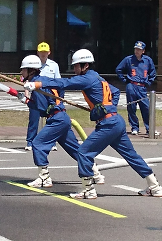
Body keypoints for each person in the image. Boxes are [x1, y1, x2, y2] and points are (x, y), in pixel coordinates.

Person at [24, 49, 162, 199]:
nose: (74, 68)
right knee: (131, 155)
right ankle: (154, 186)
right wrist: (105, 106)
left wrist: (38, 83)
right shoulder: (97, 77)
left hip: (108, 124)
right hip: (115, 121)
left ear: (85, 65)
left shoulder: (87, 78)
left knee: (84, 152)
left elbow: (64, 83)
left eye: (76, 66)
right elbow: (115, 92)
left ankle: (88, 189)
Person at [17, 55, 105, 187]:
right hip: (62, 117)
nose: (21, 72)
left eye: (23, 70)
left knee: (38, 144)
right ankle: (96, 173)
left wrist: (27, 101)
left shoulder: (36, 85)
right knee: (76, 150)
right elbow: (58, 92)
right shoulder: (44, 80)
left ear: (31, 70)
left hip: (56, 119)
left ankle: (44, 177)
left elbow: (42, 109)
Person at [25, 42, 61, 151]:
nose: (43, 54)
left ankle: (51, 142)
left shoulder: (54, 65)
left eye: (45, 52)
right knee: (34, 119)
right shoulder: (32, 63)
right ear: (38, 53)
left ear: (49, 52)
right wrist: (27, 94)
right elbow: (27, 80)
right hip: (36, 94)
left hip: (50, 95)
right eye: (41, 52)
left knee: (51, 118)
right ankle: (30, 142)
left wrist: (58, 97)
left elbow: (58, 81)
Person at [115, 41, 156, 135]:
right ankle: (134, 127)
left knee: (146, 107)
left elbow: (152, 73)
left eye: (139, 49)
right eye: (136, 49)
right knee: (131, 107)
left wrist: (148, 82)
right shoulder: (128, 59)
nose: (137, 51)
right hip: (131, 86)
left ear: (143, 51)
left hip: (142, 87)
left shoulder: (148, 60)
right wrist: (124, 80)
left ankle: (149, 128)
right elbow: (119, 69)